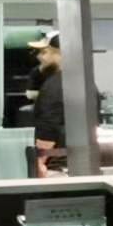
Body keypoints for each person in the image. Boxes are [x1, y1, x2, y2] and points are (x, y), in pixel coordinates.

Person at [28, 30, 65, 175]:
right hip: (84, 165)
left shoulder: (53, 87)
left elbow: (48, 128)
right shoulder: (87, 83)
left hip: (56, 170)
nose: (39, 57)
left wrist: (39, 162)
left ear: (60, 54)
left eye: (44, 52)